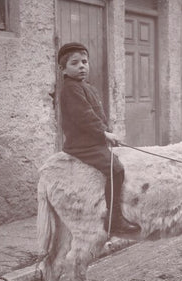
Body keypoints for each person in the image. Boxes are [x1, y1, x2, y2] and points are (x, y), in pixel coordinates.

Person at [57, 42, 140, 236]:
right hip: (82, 145)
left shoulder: (87, 88)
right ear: (63, 69)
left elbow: (98, 115)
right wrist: (103, 134)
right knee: (116, 169)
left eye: (84, 62)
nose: (81, 66)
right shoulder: (70, 89)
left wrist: (106, 132)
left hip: (94, 142)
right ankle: (115, 220)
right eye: (74, 63)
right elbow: (84, 116)